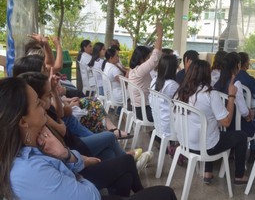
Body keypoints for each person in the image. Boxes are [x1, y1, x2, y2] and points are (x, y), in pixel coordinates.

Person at [0, 77, 178, 200]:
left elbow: (69, 162)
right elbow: (91, 195)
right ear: (23, 121)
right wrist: (75, 171)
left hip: (77, 163)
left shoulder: (33, 144)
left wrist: (66, 156)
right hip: (86, 184)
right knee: (165, 193)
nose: (42, 108)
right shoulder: (29, 169)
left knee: (119, 165)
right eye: (38, 104)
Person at [174, 59, 248, 184]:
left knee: (210, 127)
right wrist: (231, 96)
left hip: (185, 143)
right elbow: (226, 122)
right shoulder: (210, 93)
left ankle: (208, 172)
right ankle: (239, 176)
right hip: (206, 147)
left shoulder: (180, 92)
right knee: (241, 136)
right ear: (206, 74)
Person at [214, 52, 255, 138]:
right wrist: (250, 113)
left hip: (221, 124)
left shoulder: (218, 81)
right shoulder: (235, 83)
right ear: (238, 66)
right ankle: (254, 151)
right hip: (235, 125)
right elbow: (244, 112)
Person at [128, 22, 163, 122]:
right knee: (168, 114)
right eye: (148, 57)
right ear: (141, 59)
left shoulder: (134, 70)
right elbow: (154, 59)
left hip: (140, 108)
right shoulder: (139, 71)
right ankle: (159, 136)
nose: (149, 59)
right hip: (143, 111)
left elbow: (157, 56)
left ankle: (156, 136)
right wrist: (160, 35)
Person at [235, 52, 255, 163]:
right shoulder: (249, 79)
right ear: (245, 63)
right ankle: (253, 152)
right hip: (245, 114)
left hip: (232, 114)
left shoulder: (232, 77)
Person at [150, 54, 179, 137]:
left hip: (158, 124)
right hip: (169, 127)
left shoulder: (154, 81)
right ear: (173, 68)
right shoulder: (172, 85)